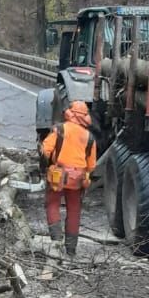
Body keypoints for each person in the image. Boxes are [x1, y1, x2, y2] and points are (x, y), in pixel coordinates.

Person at [39, 101, 96, 259]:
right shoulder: (89, 137)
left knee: (52, 204)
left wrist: (44, 166)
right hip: (78, 178)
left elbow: (45, 150)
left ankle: (57, 240)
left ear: (70, 113)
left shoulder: (60, 129)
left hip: (59, 175)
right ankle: (71, 249)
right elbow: (91, 165)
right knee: (74, 210)